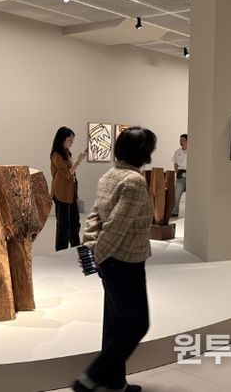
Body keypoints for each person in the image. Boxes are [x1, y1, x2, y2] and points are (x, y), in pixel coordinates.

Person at [73, 126, 157, 392]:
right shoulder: (134, 181)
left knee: (115, 323)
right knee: (137, 324)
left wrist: (90, 249)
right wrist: (98, 257)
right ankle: (90, 378)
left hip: (109, 261)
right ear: (143, 152)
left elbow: (94, 218)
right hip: (125, 262)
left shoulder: (109, 175)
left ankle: (115, 383)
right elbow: (116, 227)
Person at [50, 126, 87, 251]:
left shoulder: (67, 153)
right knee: (63, 226)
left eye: (72, 140)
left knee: (75, 222)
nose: (71, 142)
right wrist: (79, 161)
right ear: (62, 139)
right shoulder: (56, 155)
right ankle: (61, 251)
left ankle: (75, 248)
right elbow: (67, 174)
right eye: (69, 140)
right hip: (61, 194)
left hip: (71, 194)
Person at [171, 133, 187, 217]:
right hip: (180, 175)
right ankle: (175, 212)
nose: (181, 142)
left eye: (182, 140)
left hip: (190, 175)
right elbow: (175, 164)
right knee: (176, 195)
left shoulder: (193, 151)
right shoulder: (177, 152)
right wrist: (177, 172)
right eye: (180, 140)